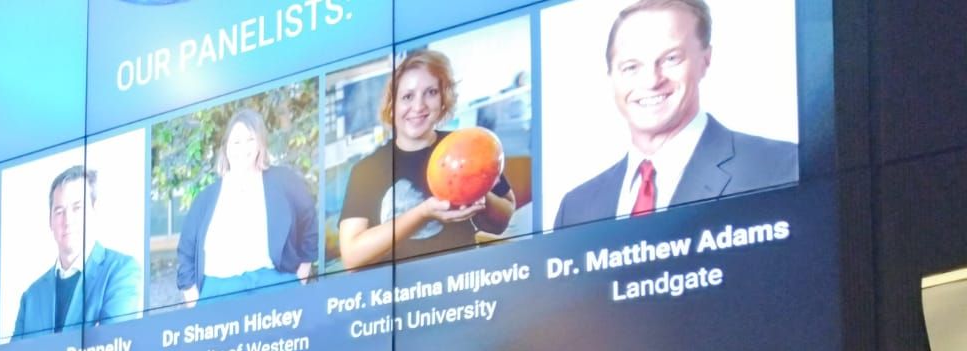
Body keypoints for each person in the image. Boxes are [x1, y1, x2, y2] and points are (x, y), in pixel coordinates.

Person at [553, 0, 797, 230]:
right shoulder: (575, 208)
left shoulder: (783, 167)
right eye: (631, 67)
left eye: (671, 59)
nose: (651, 81)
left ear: (705, 60)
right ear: (611, 76)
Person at [339, 49, 516, 267]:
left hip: (461, 279)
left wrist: (477, 194)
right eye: (407, 96)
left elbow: (501, 222)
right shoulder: (366, 170)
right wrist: (422, 213)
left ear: (443, 100)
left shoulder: (468, 146)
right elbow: (352, 257)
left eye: (431, 92)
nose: (419, 106)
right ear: (392, 106)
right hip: (397, 287)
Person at [175, 108, 318, 305]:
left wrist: (302, 274)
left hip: (275, 284)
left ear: (260, 143)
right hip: (219, 292)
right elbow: (186, 252)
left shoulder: (284, 180)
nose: (243, 147)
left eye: (250, 139)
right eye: (236, 141)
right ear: (226, 147)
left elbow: (309, 220)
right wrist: (194, 302)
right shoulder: (205, 198)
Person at [11, 165, 142, 338]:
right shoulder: (31, 297)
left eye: (77, 208)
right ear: (50, 221)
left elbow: (112, 346)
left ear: (94, 211)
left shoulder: (121, 271)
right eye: (59, 211)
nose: (68, 220)